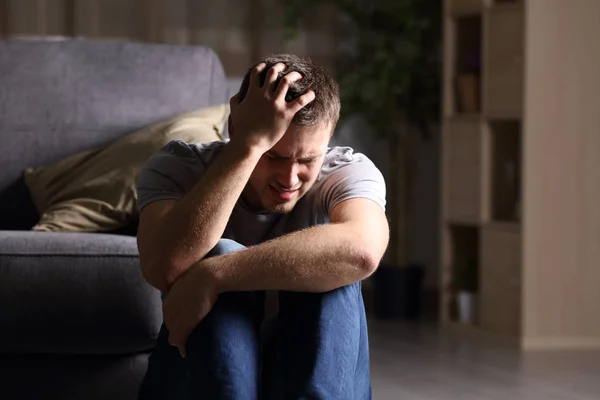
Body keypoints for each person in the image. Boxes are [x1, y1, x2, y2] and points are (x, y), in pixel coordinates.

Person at [135, 53, 389, 400]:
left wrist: (214, 275)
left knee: (335, 267)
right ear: (235, 125)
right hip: (200, 381)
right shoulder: (178, 167)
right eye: (273, 155)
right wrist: (247, 148)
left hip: (315, 382)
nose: (289, 178)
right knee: (220, 246)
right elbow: (163, 266)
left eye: (307, 160)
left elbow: (362, 251)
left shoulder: (346, 171)